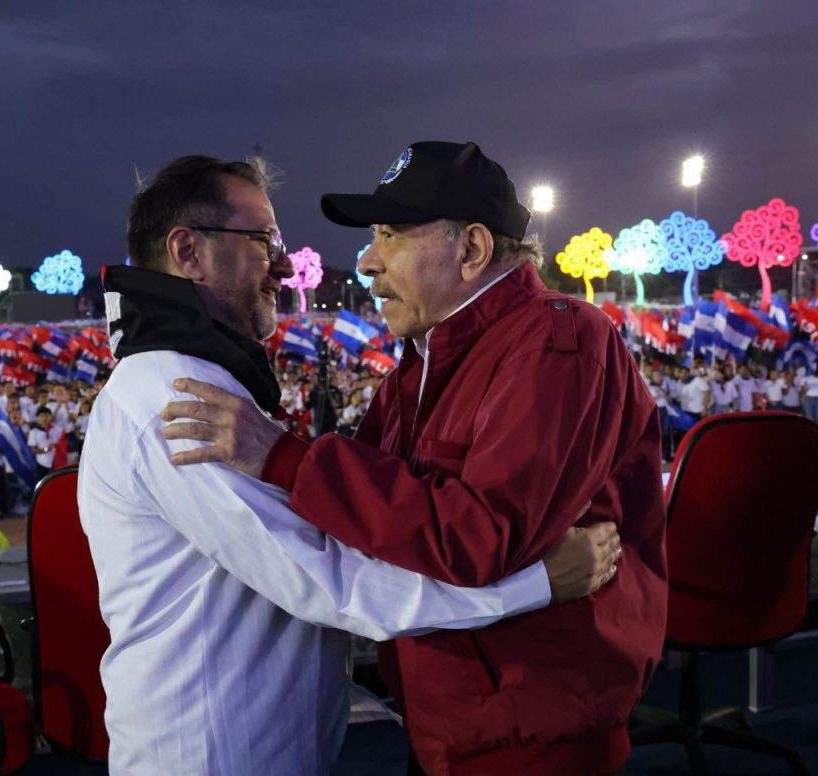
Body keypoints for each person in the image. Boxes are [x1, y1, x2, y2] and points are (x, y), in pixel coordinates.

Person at [78, 154, 622, 774]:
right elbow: (336, 578)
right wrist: (541, 582)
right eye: (264, 242)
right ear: (188, 251)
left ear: (471, 249)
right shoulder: (178, 399)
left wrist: (289, 459)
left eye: (389, 235)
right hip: (212, 753)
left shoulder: (547, 343)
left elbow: (394, 537)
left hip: (517, 729)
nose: (290, 263)